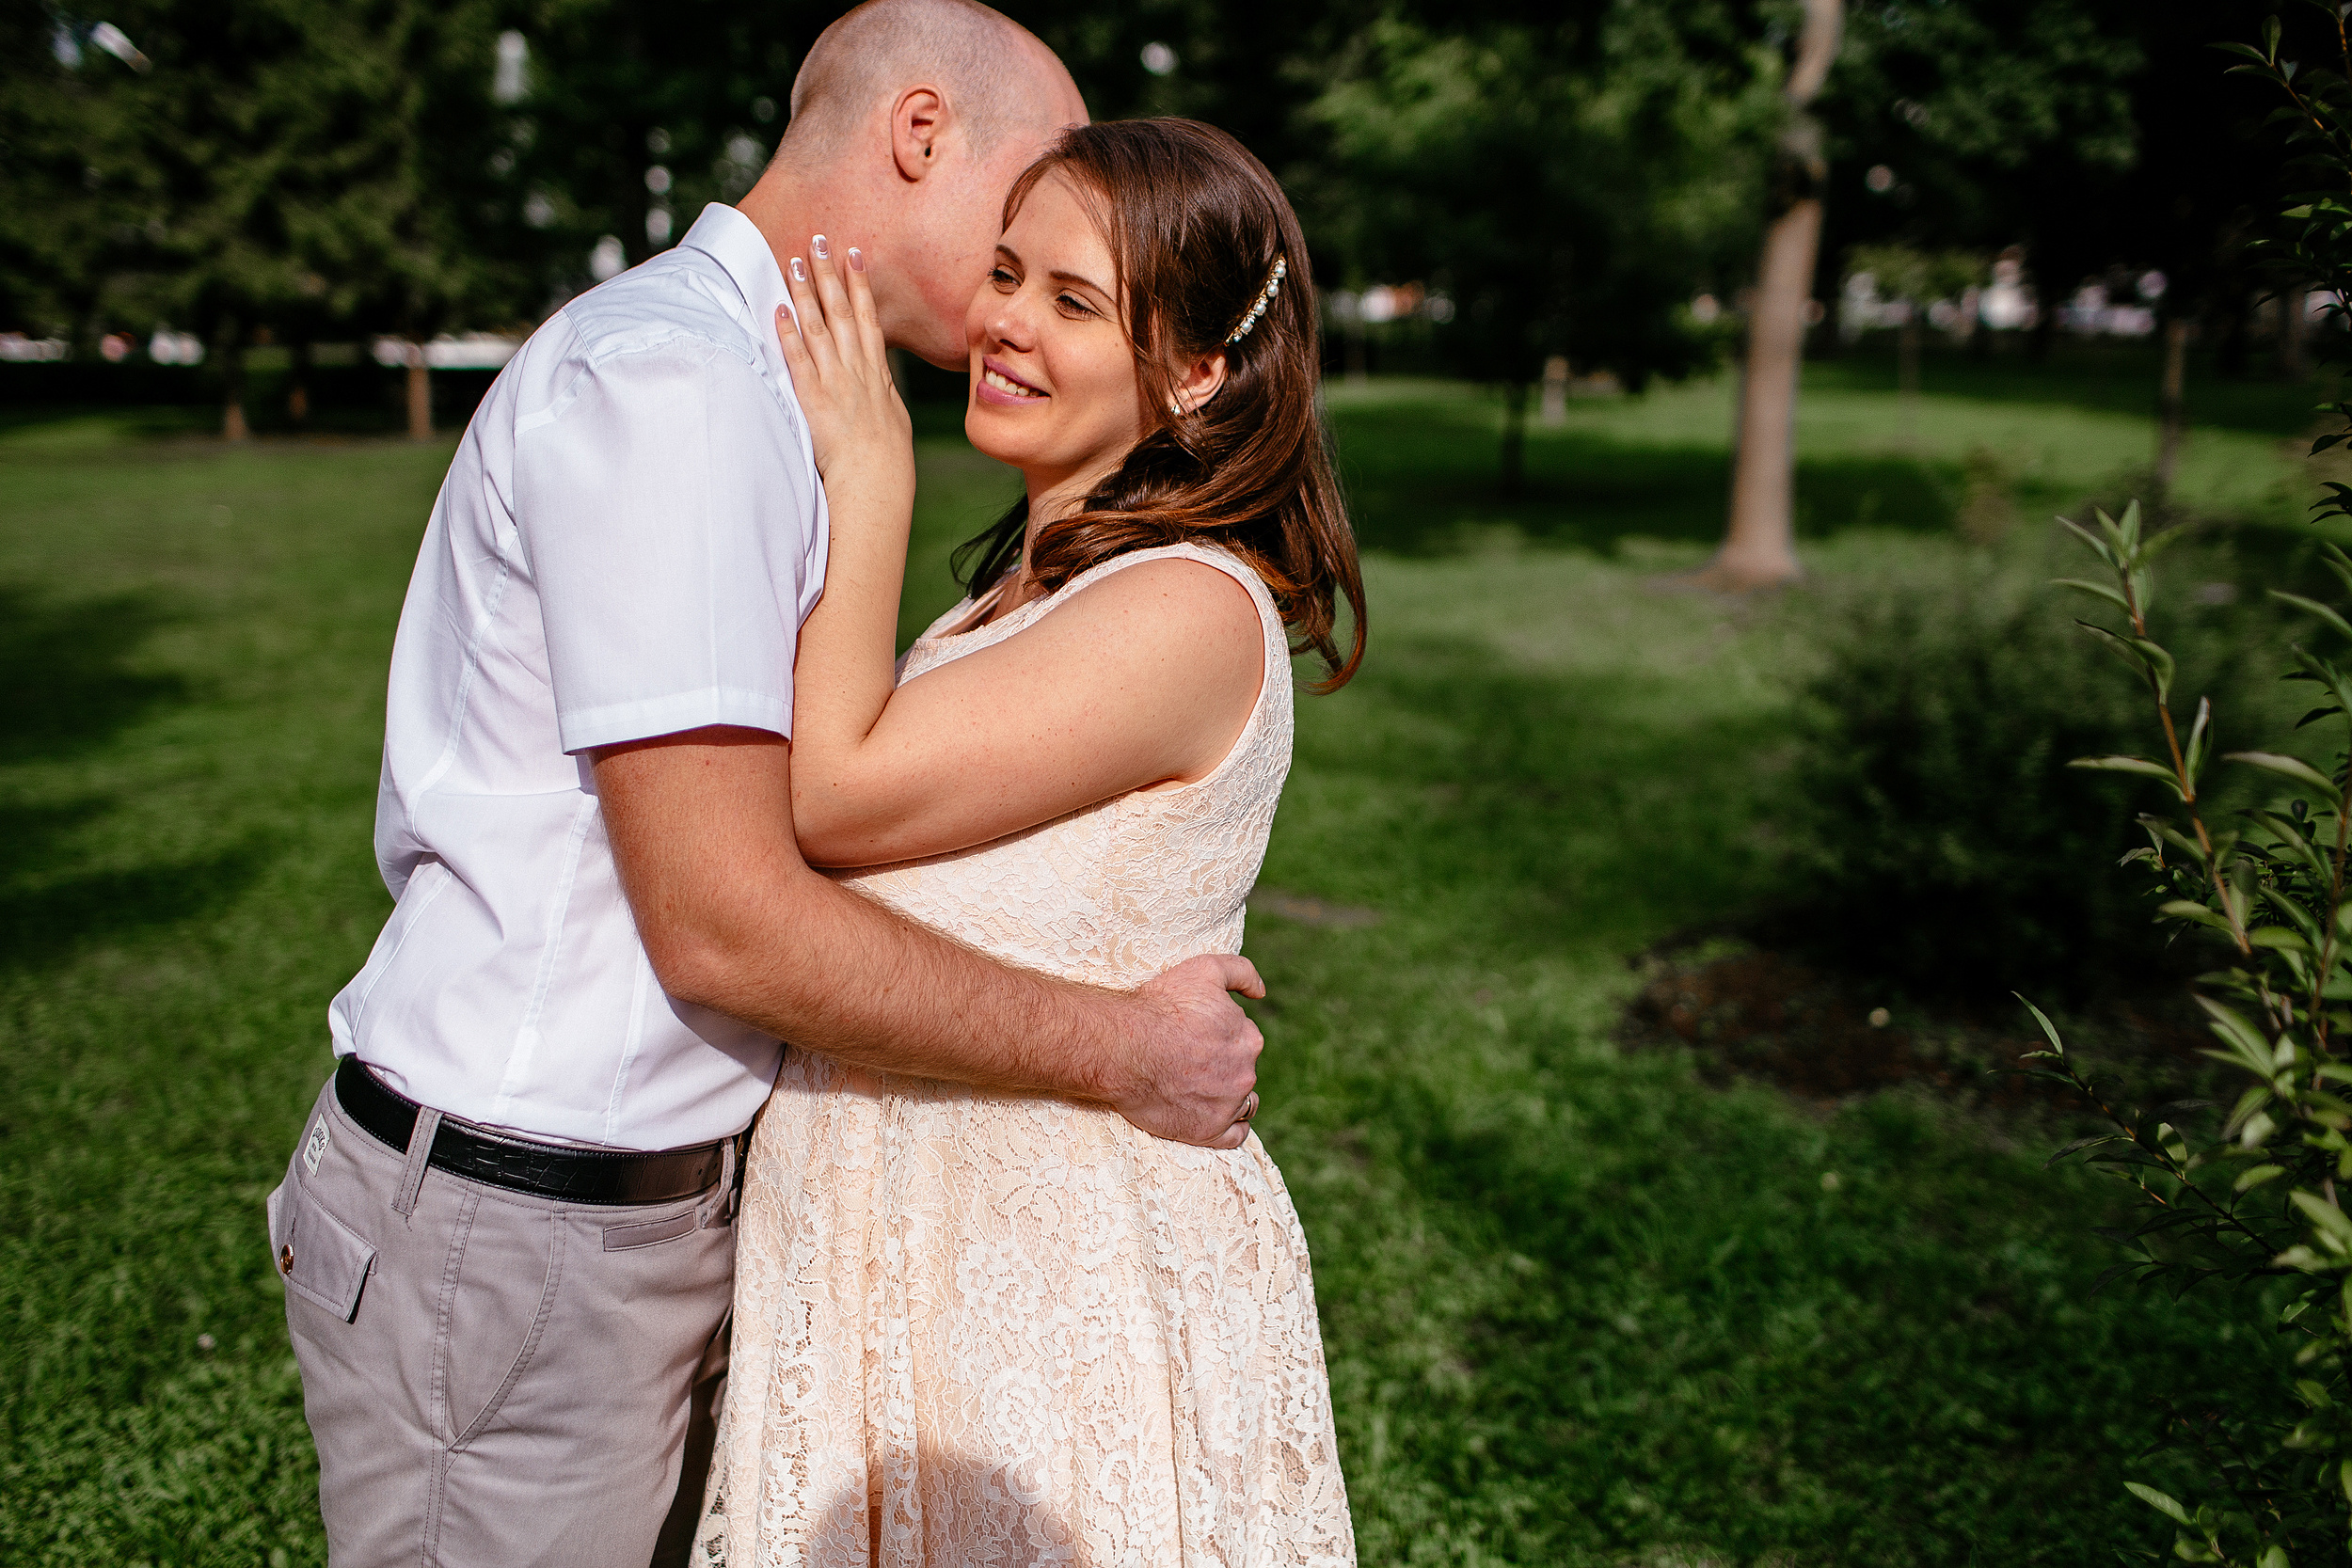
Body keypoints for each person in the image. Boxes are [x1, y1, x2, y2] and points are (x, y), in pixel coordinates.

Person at [264, 8, 1271, 1567]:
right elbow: (732, 918)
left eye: (1074, 284)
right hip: (528, 1221)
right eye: (1023, 217)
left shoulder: (762, 391)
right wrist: (1127, 1046)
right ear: (921, 133)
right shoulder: (681, 389)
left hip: (646, 1228)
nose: (1020, 266)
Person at [697, 119, 1365, 1566]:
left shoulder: (1186, 607)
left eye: (1072, 302)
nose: (1003, 321)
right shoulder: (1011, 600)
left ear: (1196, 373)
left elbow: (832, 798)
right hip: (893, 1255)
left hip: (1050, 1292)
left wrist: (868, 479)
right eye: (1005, 274)